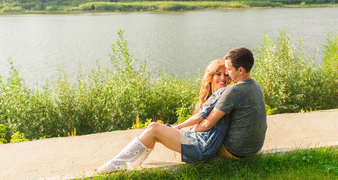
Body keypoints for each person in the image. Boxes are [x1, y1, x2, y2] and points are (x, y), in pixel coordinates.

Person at [96, 59, 231, 173]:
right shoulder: (213, 96)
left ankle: (117, 164)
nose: (223, 78)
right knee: (154, 130)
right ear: (211, 76)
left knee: (155, 128)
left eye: (226, 75)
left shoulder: (224, 94)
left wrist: (179, 127)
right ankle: (128, 164)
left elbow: (203, 121)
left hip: (203, 147)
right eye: (218, 74)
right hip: (200, 142)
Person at [192, 47, 267, 159]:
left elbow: (208, 124)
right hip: (255, 147)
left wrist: (188, 134)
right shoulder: (256, 86)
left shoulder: (233, 91)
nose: (226, 74)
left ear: (240, 70)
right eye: (219, 73)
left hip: (236, 151)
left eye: (229, 70)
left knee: (207, 136)